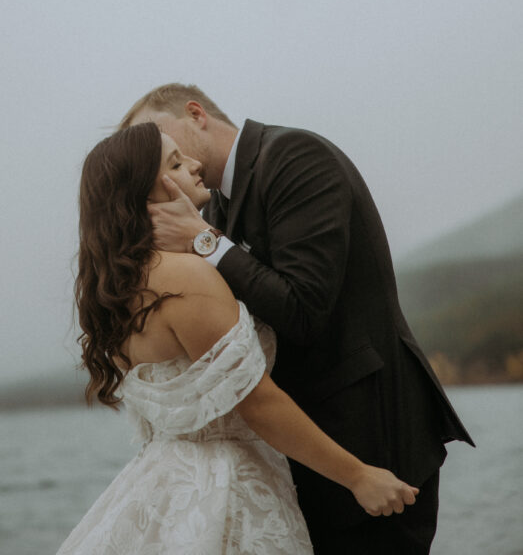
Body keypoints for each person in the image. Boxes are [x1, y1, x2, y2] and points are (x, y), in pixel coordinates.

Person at [121, 85, 475, 555]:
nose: (156, 163)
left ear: (195, 115)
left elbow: (304, 311)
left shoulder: (294, 157)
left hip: (373, 437)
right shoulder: (217, 204)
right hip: (310, 457)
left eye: (158, 139)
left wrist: (205, 241)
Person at [56, 122, 420, 555]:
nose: (194, 164)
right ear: (146, 195)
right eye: (175, 162)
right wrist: (359, 476)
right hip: (224, 487)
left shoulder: (119, 290)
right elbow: (257, 403)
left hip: (162, 483)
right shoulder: (185, 277)